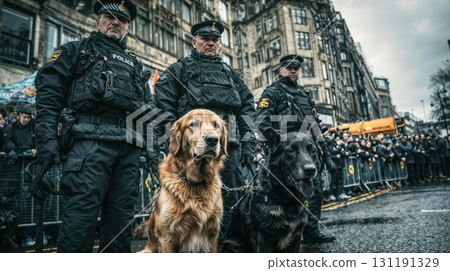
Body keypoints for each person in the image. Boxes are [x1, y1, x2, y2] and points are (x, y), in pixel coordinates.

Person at [34, 0, 153, 252]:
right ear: (97, 21)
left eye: (121, 20)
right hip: (88, 147)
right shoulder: (76, 51)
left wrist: (154, 156)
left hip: (129, 152)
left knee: (120, 229)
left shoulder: (137, 67)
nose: (115, 22)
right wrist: (46, 140)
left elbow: (148, 113)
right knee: (79, 224)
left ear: (127, 28)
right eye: (108, 17)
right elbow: (48, 95)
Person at [151, 19, 256, 247]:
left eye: (215, 40)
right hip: (190, 155)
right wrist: (172, 144)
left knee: (228, 204)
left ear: (219, 44)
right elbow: (163, 106)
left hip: (227, 152)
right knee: (183, 207)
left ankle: (220, 250)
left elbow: (248, 107)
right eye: (205, 39)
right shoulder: (180, 69)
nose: (210, 43)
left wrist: (249, 145)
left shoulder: (230, 74)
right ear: (194, 42)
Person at [256, 54, 336, 243]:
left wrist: (328, 154)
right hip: (287, 153)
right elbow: (261, 121)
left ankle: (311, 233)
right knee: (284, 195)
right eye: (289, 68)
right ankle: (284, 235)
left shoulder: (304, 94)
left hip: (309, 150)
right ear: (281, 70)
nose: (293, 71)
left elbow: (315, 126)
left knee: (313, 190)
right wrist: (277, 142)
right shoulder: (272, 92)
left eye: (296, 68)